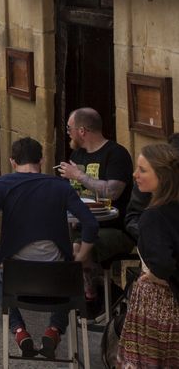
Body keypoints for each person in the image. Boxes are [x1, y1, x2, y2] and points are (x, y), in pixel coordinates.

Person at [0, 137, 98, 360]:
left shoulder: (2, 184)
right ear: (41, 160)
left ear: (12, 162)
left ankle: (19, 330)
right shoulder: (60, 186)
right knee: (71, 273)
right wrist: (81, 256)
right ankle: (54, 330)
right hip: (57, 282)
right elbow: (90, 222)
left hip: (18, 281)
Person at [116, 142, 179, 368]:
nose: (135, 175)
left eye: (143, 170)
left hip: (159, 304)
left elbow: (162, 265)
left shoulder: (154, 216)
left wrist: (153, 276)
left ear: (162, 176)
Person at [57, 107, 137, 277]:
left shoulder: (116, 154)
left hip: (114, 227)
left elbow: (112, 192)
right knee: (53, 240)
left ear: (82, 131)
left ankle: (88, 293)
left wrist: (78, 175)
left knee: (80, 246)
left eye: (69, 129)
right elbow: (73, 192)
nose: (68, 133)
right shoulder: (78, 155)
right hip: (80, 225)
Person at [125, 132, 179, 242]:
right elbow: (132, 218)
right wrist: (151, 233)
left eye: (142, 170)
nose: (135, 175)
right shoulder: (146, 185)